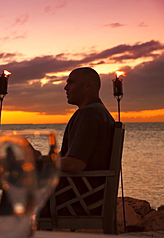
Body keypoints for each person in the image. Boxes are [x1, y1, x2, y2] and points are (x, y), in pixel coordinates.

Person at [41, 67, 115, 216]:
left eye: (71, 82)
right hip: (91, 194)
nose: (65, 87)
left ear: (88, 86)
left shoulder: (88, 114)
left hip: (77, 199)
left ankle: (2, 235)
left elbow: (75, 164)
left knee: (13, 185)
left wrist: (34, 161)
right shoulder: (101, 113)